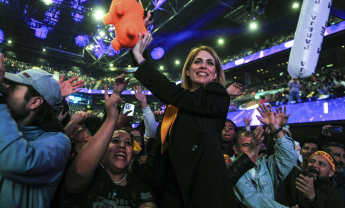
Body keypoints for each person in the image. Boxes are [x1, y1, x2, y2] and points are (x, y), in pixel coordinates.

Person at [131, 33, 258, 207]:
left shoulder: (218, 95)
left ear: (215, 74)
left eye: (210, 63)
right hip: (172, 191)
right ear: (188, 71)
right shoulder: (176, 105)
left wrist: (139, 57)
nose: (203, 66)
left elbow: (174, 94)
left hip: (204, 193)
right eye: (197, 61)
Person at [60, 74, 157, 208]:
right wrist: (112, 117)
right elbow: (79, 171)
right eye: (115, 141)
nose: (122, 145)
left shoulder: (139, 185)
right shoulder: (90, 176)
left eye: (128, 143)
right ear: (102, 148)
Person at [0, 52, 71, 207]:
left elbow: (16, 161)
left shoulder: (58, 143)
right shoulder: (5, 126)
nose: (6, 90)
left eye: (14, 87)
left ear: (35, 102)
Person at [232, 104, 298, 208]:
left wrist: (275, 127)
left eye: (255, 144)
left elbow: (289, 157)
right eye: (246, 145)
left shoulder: (265, 163)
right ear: (235, 149)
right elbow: (250, 198)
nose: (252, 148)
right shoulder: (231, 168)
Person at [322, 142, 345, 207]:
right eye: (337, 155)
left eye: (344, 156)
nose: (342, 160)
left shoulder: (342, 174)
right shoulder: (317, 178)